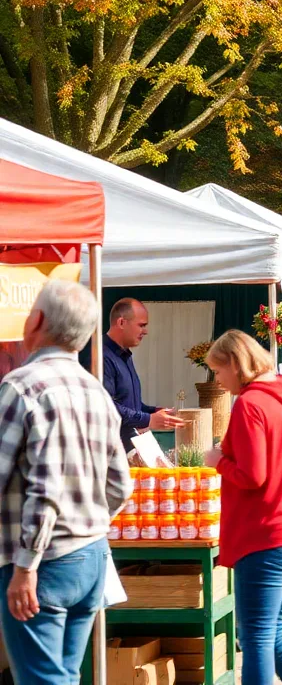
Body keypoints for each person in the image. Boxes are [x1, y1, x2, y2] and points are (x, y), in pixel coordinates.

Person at [0, 281, 132, 685]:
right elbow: (120, 485)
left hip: (41, 562)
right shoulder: (96, 391)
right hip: (91, 556)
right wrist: (87, 521)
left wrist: (26, 566)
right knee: (65, 676)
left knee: (44, 680)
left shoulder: (21, 387)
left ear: (36, 320)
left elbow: (40, 489)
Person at [204, 330, 282, 685]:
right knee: (271, 633)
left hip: (266, 536)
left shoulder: (251, 404)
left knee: (255, 636)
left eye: (219, 372)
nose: (219, 382)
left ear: (235, 364)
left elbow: (253, 475)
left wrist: (217, 461)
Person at [97, 297, 185, 447]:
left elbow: (129, 404)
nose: (146, 331)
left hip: (127, 447)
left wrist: (154, 411)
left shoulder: (124, 355)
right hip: (110, 451)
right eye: (141, 325)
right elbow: (104, 407)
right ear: (121, 322)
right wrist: (148, 419)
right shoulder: (100, 356)